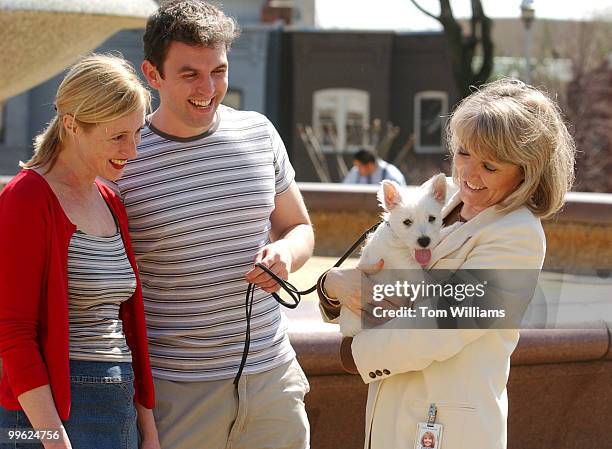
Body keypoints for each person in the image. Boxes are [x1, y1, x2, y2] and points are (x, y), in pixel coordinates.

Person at [318, 79, 575, 449]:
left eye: (489, 165)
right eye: (464, 153)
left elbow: (442, 323)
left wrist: (353, 353)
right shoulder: (444, 196)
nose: (469, 174)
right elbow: (376, 265)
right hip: (395, 413)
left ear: (526, 172)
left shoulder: (518, 234)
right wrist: (331, 285)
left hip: (447, 428)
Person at [114, 2, 314, 448]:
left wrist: (286, 254)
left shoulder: (260, 133)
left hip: (272, 380)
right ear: (152, 73)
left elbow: (299, 227)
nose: (209, 88)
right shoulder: (123, 159)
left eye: (218, 71)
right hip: (176, 393)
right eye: (190, 74)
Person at [0, 55, 159, 449]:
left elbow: (125, 323)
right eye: (118, 136)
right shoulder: (25, 198)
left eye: (137, 133)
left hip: (116, 403)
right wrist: (54, 440)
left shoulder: (110, 199)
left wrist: (147, 427)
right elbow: (11, 333)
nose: (133, 151)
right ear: (71, 123)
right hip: (43, 415)